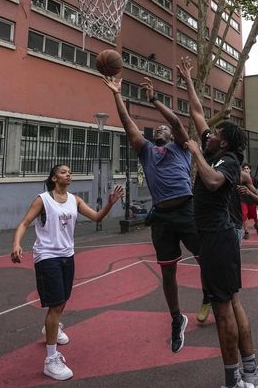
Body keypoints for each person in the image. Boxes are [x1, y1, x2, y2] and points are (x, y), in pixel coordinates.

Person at [179, 58, 258, 388]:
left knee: (222, 310)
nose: (210, 133)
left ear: (224, 142)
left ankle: (234, 381)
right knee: (231, 301)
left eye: (215, 133)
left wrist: (195, 152)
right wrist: (188, 79)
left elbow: (214, 181)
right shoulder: (215, 149)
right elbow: (197, 112)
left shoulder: (229, 160)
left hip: (219, 235)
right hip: (215, 236)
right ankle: (252, 372)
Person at [104, 75, 210, 351]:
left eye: (164, 128)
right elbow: (128, 125)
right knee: (168, 271)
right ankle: (176, 318)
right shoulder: (147, 152)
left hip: (187, 211)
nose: (161, 129)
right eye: (158, 128)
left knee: (206, 260)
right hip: (162, 218)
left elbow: (176, 123)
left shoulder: (181, 148)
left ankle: (209, 294)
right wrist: (116, 94)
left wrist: (153, 100)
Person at [11, 165, 124, 381]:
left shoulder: (75, 200)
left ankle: (51, 328)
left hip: (67, 255)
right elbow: (24, 223)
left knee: (62, 301)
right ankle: (51, 360)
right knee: (55, 304)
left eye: (69, 172)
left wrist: (110, 203)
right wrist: (16, 244)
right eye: (63, 172)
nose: (68, 174)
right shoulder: (43, 199)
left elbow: (97, 217)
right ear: (54, 178)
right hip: (47, 256)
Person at [240, 163, 258, 238]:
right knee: (244, 215)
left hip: (252, 200)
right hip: (243, 200)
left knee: (255, 216)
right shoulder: (240, 179)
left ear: (250, 170)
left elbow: (257, 190)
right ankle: (246, 232)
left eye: (247, 169)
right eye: (244, 169)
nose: (246, 170)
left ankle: (256, 225)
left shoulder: (254, 180)